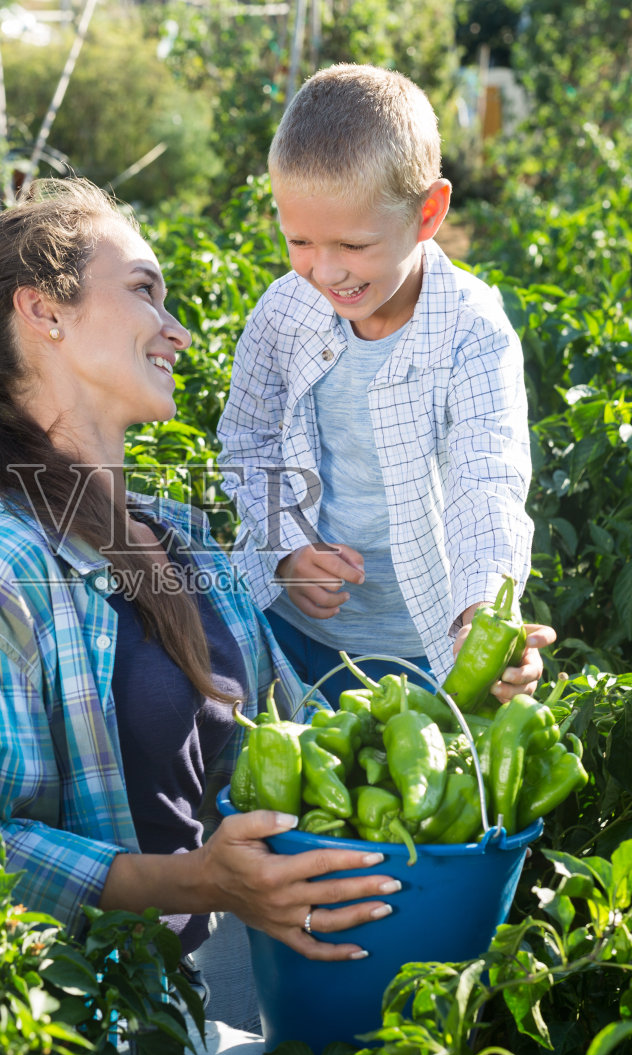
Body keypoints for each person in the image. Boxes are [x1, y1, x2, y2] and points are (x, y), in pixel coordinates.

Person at [0, 179, 400, 1037]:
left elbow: (287, 738)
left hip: (234, 993)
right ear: (44, 312)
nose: (177, 328)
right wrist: (198, 879)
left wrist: (469, 671)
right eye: (144, 290)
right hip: (96, 1024)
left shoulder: (182, 535)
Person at [217, 65, 554, 706]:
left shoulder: (472, 331)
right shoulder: (285, 312)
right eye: (299, 241)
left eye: (354, 244)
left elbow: (487, 479)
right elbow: (247, 437)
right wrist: (287, 548)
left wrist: (482, 615)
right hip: (289, 624)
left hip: (423, 638)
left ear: (428, 212)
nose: (326, 270)